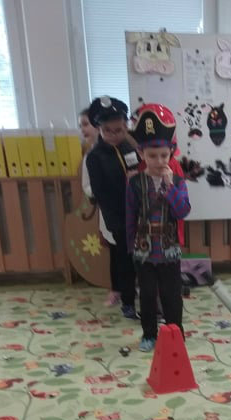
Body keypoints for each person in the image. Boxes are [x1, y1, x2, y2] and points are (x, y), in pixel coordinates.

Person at [126, 104, 191, 352]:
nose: (159, 161)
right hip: (143, 250)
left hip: (168, 249)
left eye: (164, 155)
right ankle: (149, 334)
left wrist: (170, 187)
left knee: (171, 294)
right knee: (147, 295)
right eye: (152, 156)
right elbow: (130, 215)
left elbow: (182, 211)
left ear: (171, 153)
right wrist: (130, 246)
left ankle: (175, 332)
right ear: (142, 154)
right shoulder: (135, 183)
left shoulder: (177, 181)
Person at [86, 96, 140, 319]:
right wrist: (115, 220)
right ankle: (127, 301)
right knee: (123, 258)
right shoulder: (95, 157)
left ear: (125, 126)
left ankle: (135, 292)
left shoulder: (129, 147)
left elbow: (138, 172)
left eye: (119, 130)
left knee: (135, 256)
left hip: (137, 213)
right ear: (99, 129)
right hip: (117, 216)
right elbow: (100, 193)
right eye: (108, 131)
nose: (114, 135)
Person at [79, 107, 119, 306]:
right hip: (108, 210)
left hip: (127, 210)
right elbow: (87, 185)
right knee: (115, 251)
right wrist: (101, 193)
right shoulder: (92, 156)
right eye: (81, 126)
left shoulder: (121, 150)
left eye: (86, 124)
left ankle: (134, 287)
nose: (83, 129)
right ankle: (116, 289)